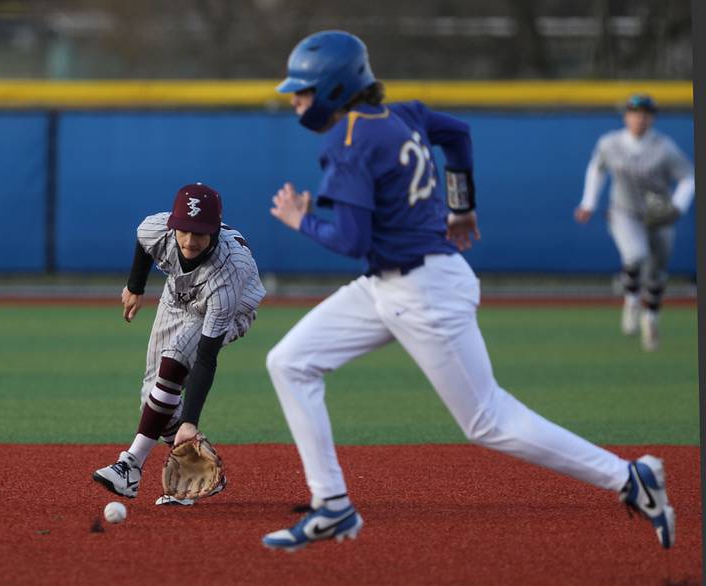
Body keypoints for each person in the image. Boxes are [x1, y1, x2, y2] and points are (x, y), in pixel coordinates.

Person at [261, 30, 675, 552]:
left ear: (336, 90)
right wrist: (462, 204)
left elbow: (350, 239)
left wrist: (301, 221)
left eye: (303, 90)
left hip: (423, 291)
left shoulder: (348, 141)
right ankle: (333, 506)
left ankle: (630, 478)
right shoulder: (400, 115)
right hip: (391, 282)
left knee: (486, 418)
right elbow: (456, 134)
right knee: (290, 361)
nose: (296, 100)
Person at [93, 182, 265, 501]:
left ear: (214, 231)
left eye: (199, 232)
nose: (189, 240)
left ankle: (130, 465)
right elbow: (144, 243)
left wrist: (191, 419)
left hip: (232, 308)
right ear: (173, 223)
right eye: (183, 229)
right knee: (153, 397)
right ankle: (195, 465)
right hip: (177, 299)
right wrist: (135, 286)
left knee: (174, 361)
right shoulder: (156, 229)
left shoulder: (230, 270)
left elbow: (205, 357)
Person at [574, 94, 695, 351]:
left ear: (652, 118)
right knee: (635, 255)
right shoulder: (610, 143)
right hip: (624, 211)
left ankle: (650, 319)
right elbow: (597, 169)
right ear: (626, 116)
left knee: (657, 273)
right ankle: (631, 300)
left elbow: (689, 178)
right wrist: (588, 203)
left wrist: (677, 206)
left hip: (658, 216)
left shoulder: (664, 147)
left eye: (645, 114)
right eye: (634, 113)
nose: (639, 118)